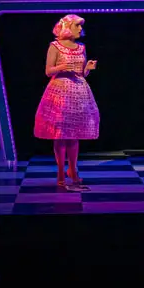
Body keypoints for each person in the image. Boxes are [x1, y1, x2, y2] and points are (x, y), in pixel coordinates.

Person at [34, 14, 99, 191]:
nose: (80, 29)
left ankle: (73, 170)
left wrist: (88, 69)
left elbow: (81, 73)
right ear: (67, 27)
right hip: (60, 92)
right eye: (77, 26)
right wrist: (62, 67)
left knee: (74, 134)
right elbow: (48, 71)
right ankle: (61, 173)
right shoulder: (55, 46)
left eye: (80, 26)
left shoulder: (81, 47)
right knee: (60, 134)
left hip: (78, 91)